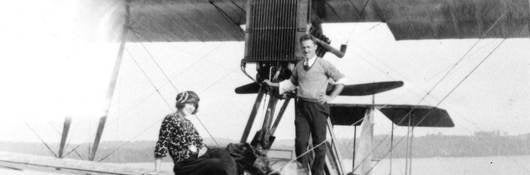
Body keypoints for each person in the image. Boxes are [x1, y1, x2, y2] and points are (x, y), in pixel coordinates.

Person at [264, 34, 346, 175]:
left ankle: (317, 173)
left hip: (318, 108)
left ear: (315, 47)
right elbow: (291, 83)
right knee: (300, 143)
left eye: (309, 47)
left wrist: (330, 97)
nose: (306, 50)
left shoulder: (323, 64)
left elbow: (342, 81)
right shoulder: (299, 66)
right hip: (302, 108)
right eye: (304, 48)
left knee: (319, 144)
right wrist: (272, 84)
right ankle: (302, 171)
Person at [152, 91, 236, 175]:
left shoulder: (189, 123)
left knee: (229, 152)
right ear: (181, 102)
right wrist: (157, 170)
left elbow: (200, 143)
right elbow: (162, 144)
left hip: (200, 157)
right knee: (217, 164)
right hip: (186, 164)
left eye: (194, 105)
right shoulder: (170, 119)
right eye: (190, 104)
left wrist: (208, 151)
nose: (192, 107)